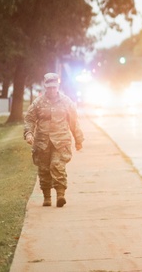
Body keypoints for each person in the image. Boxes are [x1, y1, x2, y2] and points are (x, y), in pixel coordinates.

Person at [23, 73, 84, 207]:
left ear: (57, 86)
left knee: (57, 165)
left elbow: (74, 122)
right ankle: (47, 197)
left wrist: (78, 140)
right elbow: (29, 119)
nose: (51, 90)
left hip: (61, 141)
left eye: (54, 87)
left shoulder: (66, 102)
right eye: (49, 87)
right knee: (44, 169)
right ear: (45, 87)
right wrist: (28, 133)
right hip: (42, 142)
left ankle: (60, 195)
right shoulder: (38, 103)